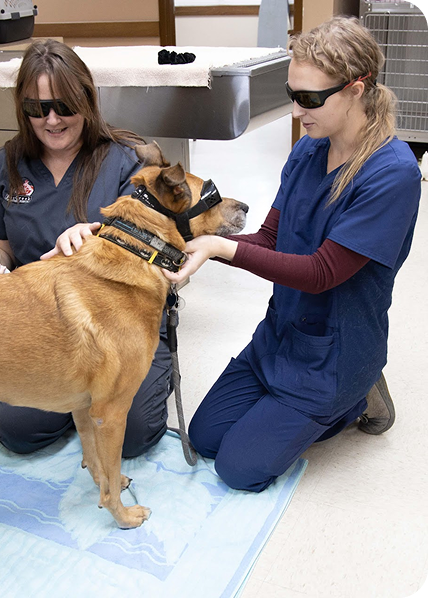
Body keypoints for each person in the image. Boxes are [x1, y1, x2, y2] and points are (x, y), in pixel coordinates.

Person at [163, 16, 422, 492]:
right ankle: (290, 404)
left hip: (334, 354)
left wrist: (222, 246)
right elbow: (268, 241)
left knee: (238, 470)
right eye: (292, 94)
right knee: (205, 437)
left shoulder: (392, 174)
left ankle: (358, 397)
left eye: (310, 99)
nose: (298, 110)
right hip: (281, 337)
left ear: (356, 90)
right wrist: (189, 244)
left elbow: (322, 273)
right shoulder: (307, 151)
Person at [0, 39, 173, 458]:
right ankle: (78, 401)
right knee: (20, 432)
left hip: (119, 322)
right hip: (40, 323)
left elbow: (162, 254)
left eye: (64, 106)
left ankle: (107, 393)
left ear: (87, 101)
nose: (52, 120)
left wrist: (96, 241)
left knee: (133, 435)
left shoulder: (128, 158)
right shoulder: (7, 163)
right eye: (37, 109)